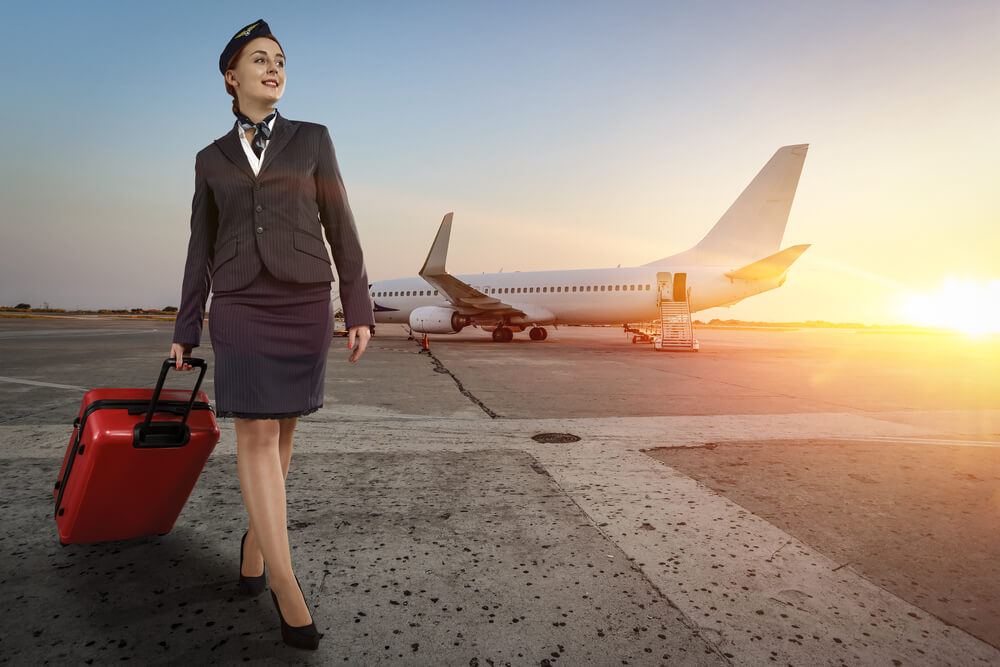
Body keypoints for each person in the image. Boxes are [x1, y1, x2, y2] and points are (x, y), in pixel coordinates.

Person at [170, 19, 374, 650]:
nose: (273, 67)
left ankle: (256, 544)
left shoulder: (313, 139)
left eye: (280, 59)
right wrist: (185, 325)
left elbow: (340, 222)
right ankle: (288, 590)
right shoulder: (210, 159)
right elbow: (199, 244)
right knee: (255, 433)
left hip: (304, 300)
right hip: (239, 305)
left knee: (282, 432)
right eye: (259, 59)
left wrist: (357, 305)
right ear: (232, 78)